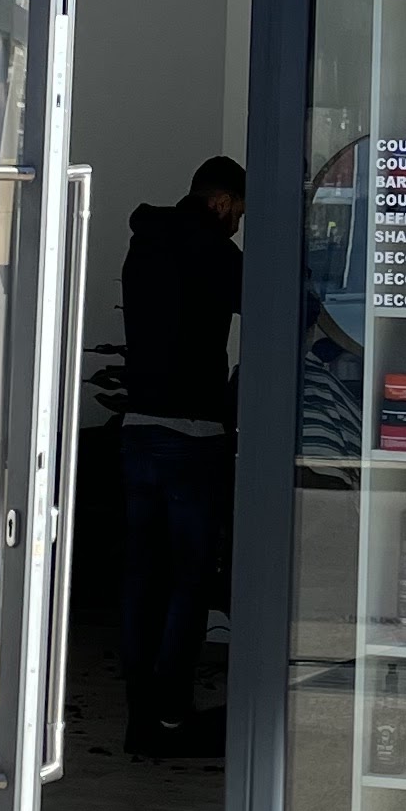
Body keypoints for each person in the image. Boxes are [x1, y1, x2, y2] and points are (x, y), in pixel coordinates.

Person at [119, 152, 244, 760]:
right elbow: (277, 307)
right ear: (220, 203)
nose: (237, 223)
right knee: (189, 582)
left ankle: (140, 716)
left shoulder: (143, 244)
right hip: (191, 437)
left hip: (137, 430)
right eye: (238, 212)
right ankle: (171, 715)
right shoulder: (214, 250)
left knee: (142, 579)